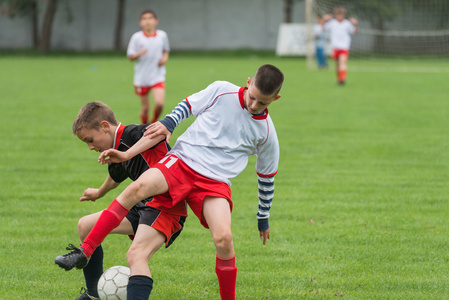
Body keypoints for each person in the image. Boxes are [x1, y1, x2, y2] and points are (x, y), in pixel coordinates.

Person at [55, 64, 284, 300]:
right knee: (137, 188)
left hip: (214, 182)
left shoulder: (267, 133)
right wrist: (169, 123)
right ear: (248, 83)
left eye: (262, 103)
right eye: (252, 97)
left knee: (224, 238)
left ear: (275, 99)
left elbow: (266, 178)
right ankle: (86, 251)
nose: (254, 105)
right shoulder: (222, 90)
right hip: (183, 162)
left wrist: (263, 216)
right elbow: (188, 105)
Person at [55, 102, 187, 300]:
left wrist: (128, 153)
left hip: (165, 207)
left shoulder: (134, 133)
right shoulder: (115, 149)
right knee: (85, 226)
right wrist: (98, 193)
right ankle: (93, 295)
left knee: (136, 256)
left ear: (105, 126)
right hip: (142, 205)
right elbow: (116, 177)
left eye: (90, 140)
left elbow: (160, 134)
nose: (90, 147)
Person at [127, 9, 170, 124]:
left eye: (150, 18)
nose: (147, 21)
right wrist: (138, 54)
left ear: (156, 21)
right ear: (140, 22)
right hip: (142, 78)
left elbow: (166, 51)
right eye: (144, 19)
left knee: (160, 104)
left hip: (157, 76)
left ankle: (153, 122)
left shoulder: (162, 35)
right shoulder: (136, 37)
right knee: (145, 108)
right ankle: (144, 127)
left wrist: (165, 58)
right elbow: (130, 56)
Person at [323, 6, 358, 85]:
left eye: (341, 15)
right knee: (337, 65)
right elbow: (323, 29)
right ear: (336, 15)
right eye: (338, 15)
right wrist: (324, 20)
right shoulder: (332, 23)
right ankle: (339, 79)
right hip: (335, 46)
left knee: (343, 62)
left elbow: (354, 32)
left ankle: (342, 79)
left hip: (344, 46)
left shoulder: (347, 24)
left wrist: (355, 25)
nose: (340, 16)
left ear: (344, 15)